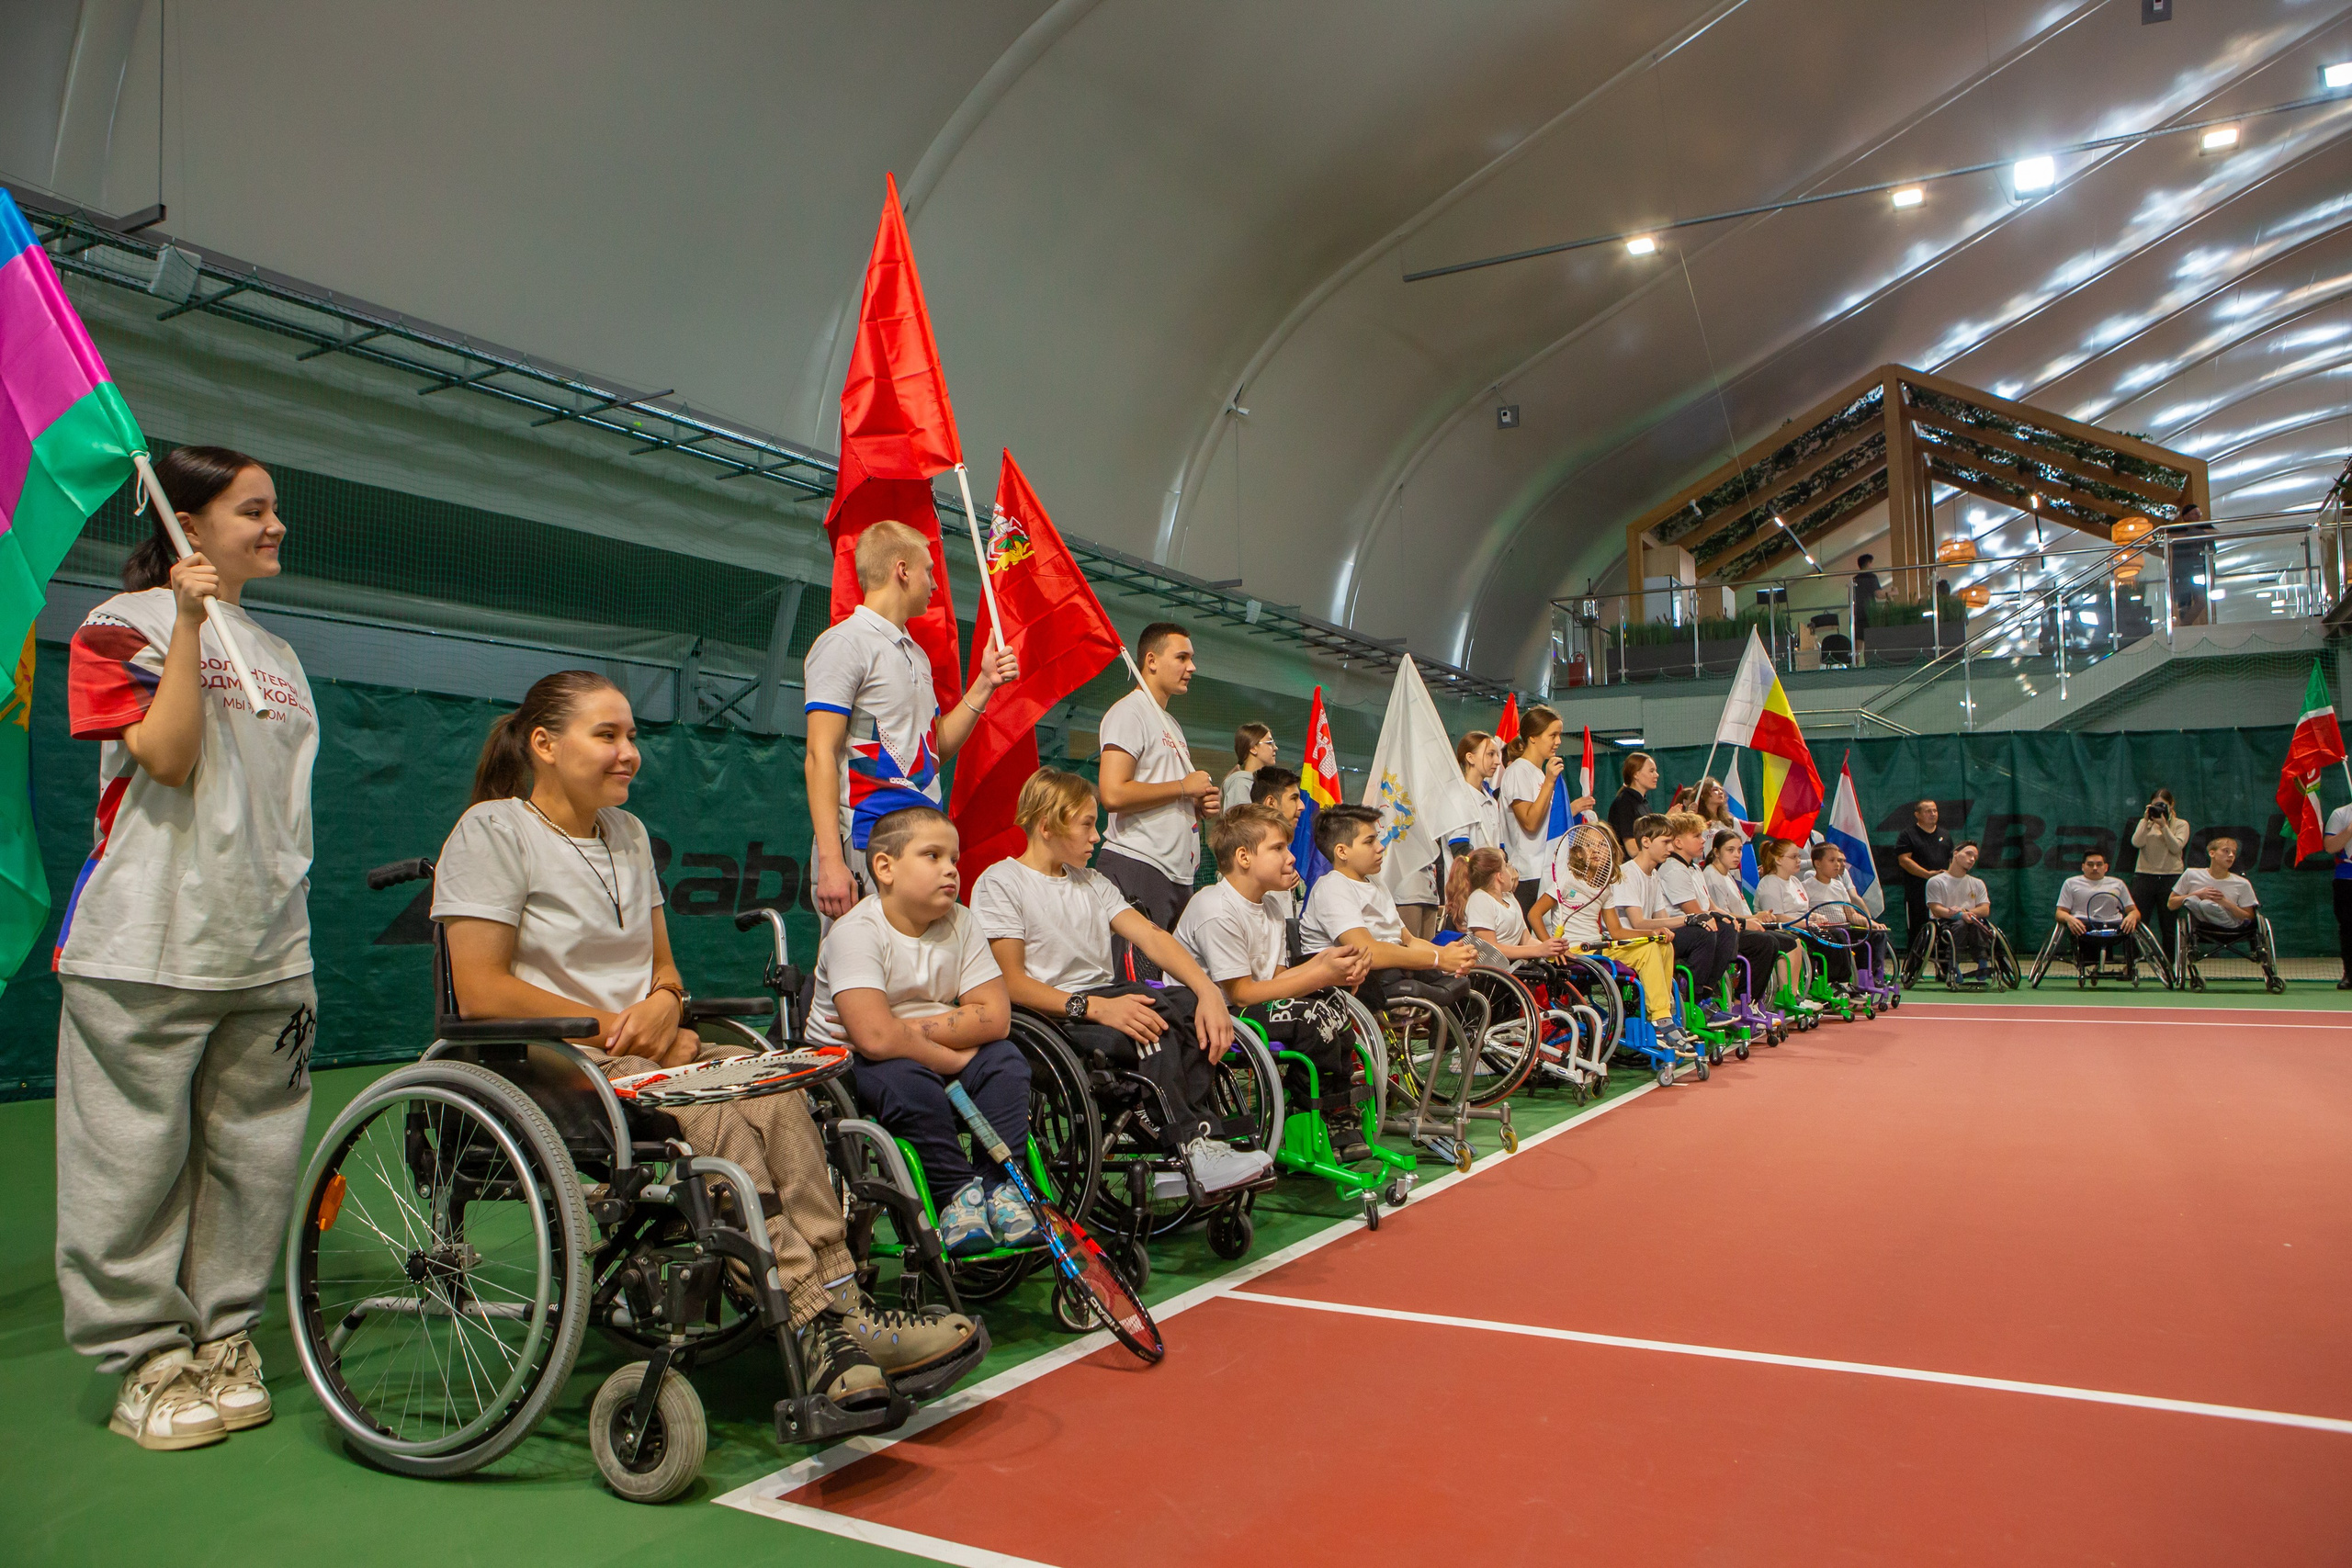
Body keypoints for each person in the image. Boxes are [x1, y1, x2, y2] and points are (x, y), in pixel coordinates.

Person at [437, 673, 974, 1416]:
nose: (630, 752)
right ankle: (815, 1322)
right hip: (554, 1062)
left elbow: (664, 967)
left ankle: (845, 1305)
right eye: (608, 735)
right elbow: (482, 989)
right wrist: (616, 1026)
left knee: (778, 1084)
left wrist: (664, 1003)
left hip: (645, 1051)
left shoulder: (625, 834)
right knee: (717, 1116)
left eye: (632, 735)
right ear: (544, 745)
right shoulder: (493, 830)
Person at [54, 446, 318, 1452]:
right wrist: (192, 619)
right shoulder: (121, 625)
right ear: (187, 523)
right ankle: (145, 1359)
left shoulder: (284, 658)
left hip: (267, 951)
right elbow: (166, 757)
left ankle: (224, 1337)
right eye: (253, 509)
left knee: (253, 1165)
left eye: (275, 507)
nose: (275, 525)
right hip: (144, 945)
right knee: (130, 1167)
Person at [970, 769, 1268, 1194]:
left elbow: (1151, 936)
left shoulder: (1092, 882)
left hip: (1102, 1001)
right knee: (1156, 1014)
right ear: (1048, 825)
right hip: (1050, 1017)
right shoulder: (1001, 882)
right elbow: (1011, 984)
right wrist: (1095, 1007)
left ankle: (1198, 1141)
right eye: (1087, 824)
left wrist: (1207, 992)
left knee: (1185, 1005)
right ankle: (1191, 1146)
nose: (1097, 837)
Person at [808, 806, 1035, 1263]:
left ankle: (1001, 1189)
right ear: (885, 868)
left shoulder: (963, 921)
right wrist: (949, 1057)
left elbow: (996, 1019)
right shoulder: (855, 932)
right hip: (850, 1066)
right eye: (932, 856)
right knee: (909, 1081)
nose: (951, 868)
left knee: (1008, 1060)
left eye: (953, 858)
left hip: (919, 1047)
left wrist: (903, 1030)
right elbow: (873, 1040)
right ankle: (956, 1197)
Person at [804, 519, 1019, 920]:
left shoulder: (916, 654)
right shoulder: (843, 643)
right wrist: (831, 861)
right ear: (902, 570)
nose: (935, 584)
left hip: (923, 840)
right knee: (858, 973)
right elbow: (820, 753)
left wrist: (985, 684)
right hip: (868, 840)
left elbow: (932, 750)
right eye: (929, 571)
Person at [1176, 805, 1375, 1159]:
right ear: (1244, 857)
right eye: (1278, 848)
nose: (1291, 856)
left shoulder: (1269, 907)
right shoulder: (1216, 909)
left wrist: (1329, 969)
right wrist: (1318, 973)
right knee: (1311, 1017)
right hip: (1213, 1015)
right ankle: (1313, 1112)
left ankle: (1333, 1108)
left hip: (1248, 1006)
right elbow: (1241, 992)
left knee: (1332, 1001)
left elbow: (1278, 978)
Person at [1096, 623, 1220, 970]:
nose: (1191, 667)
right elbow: (1113, 792)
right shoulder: (1129, 712)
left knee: (1167, 985)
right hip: (1137, 865)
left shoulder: (1170, 724)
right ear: (1150, 660)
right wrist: (1183, 788)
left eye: (1191, 658)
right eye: (1182, 657)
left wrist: (1196, 804)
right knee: (1134, 982)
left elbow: (1163, 791)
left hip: (1176, 873)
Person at [1597, 816, 1706, 1046]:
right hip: (1620, 944)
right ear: (1646, 842)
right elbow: (1637, 923)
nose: (1670, 848)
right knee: (1653, 946)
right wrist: (1685, 921)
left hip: (1640, 942)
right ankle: (1660, 1017)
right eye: (1665, 842)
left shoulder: (1654, 875)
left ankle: (1665, 1010)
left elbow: (1661, 921)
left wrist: (1684, 923)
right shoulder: (1627, 874)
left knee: (1664, 944)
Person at [1654, 812, 1758, 1021]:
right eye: (1696, 836)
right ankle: (1693, 993)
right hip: (1679, 929)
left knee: (1726, 924)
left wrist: (1737, 920)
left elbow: (1711, 906)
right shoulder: (1673, 869)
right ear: (1678, 842)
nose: (1703, 841)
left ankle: (1706, 995)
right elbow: (1693, 911)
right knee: (1712, 929)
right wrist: (1730, 921)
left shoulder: (1693, 868)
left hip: (1697, 926)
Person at [1498, 705, 1590, 915]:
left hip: (1549, 870)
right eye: (1553, 735)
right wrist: (1550, 781)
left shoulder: (1540, 774)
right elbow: (1530, 823)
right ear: (1533, 737)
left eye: (1559, 735)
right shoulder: (1518, 772)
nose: (1558, 741)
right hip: (1528, 874)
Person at [1756, 837, 1855, 989]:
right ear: (1779, 860)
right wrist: (1807, 922)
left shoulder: (1795, 882)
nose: (1798, 861)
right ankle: (1830, 985)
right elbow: (1778, 917)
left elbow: (1804, 910)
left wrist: (1815, 916)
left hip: (1804, 926)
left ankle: (1843, 983)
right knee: (1826, 940)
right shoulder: (1770, 884)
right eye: (1794, 857)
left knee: (1840, 935)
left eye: (1799, 857)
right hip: (1786, 930)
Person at [1446, 847, 1569, 963]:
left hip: (1515, 967)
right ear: (1500, 876)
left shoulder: (1509, 897)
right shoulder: (1479, 900)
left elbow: (1526, 939)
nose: (1511, 871)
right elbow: (1490, 948)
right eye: (1506, 866)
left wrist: (1549, 948)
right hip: (1492, 973)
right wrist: (1538, 951)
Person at [1804, 841, 1896, 976]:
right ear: (1818, 863)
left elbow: (1851, 915)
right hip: (1825, 932)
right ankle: (1841, 978)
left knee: (1878, 934)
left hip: (1845, 928)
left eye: (1838, 860)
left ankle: (1868, 975)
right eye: (1832, 860)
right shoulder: (1805, 887)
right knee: (1841, 937)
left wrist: (1869, 922)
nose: (1837, 864)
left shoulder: (1839, 886)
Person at [2056, 849, 2140, 979]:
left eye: (2099, 864)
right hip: (2084, 925)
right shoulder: (2070, 883)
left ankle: (2129, 967)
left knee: (2130, 925)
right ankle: (2088, 962)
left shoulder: (2118, 884)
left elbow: (2133, 910)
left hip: (2114, 925)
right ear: (2083, 866)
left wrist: (2132, 916)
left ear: (2106, 867)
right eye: (2090, 864)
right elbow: (2060, 912)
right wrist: (2069, 919)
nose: (2095, 868)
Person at [1925, 840, 1994, 982]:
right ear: (1956, 854)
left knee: (1978, 924)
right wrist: (1960, 915)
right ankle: (1954, 966)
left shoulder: (1977, 883)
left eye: (1975, 857)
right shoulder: (1936, 881)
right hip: (1945, 923)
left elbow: (1985, 909)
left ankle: (1982, 964)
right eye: (1969, 854)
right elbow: (1936, 909)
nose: (1972, 859)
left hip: (1972, 920)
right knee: (1961, 925)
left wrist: (1967, 912)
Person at [2129, 788, 2188, 953]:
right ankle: (2132, 961)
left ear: (2171, 805)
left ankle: (2170, 963)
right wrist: (2146, 821)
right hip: (2144, 876)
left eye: (2163, 805)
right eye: (2156, 805)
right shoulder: (2145, 823)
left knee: (2169, 925)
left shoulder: (2181, 824)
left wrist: (2164, 826)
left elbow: (2176, 847)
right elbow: (2136, 842)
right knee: (2138, 921)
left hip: (2171, 877)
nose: (2159, 809)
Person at [2168, 837, 2258, 939]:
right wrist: (2198, 894)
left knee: (2206, 904)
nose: (2231, 855)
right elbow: (2171, 904)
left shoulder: (2242, 883)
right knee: (2191, 900)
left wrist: (2224, 902)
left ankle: (2211, 908)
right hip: (2201, 925)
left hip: (2231, 927)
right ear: (2212, 853)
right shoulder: (2191, 874)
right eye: (2226, 851)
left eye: (2234, 852)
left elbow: (2249, 917)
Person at [1894, 799, 1954, 948]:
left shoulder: (1945, 834)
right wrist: (1927, 874)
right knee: (1917, 932)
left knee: (1945, 931)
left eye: (1935, 811)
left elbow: (1952, 858)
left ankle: (1944, 969)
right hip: (1917, 892)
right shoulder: (1908, 835)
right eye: (1928, 811)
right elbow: (1904, 860)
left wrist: (1947, 876)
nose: (1933, 814)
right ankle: (1915, 969)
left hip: (1942, 894)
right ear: (1917, 815)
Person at [1221, 723, 1276, 819]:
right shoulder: (1240, 784)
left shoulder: (1261, 784)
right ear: (1253, 748)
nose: (1275, 748)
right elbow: (1241, 828)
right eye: (1270, 743)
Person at [1608, 750, 1658, 851]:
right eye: (1651, 771)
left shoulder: (1644, 804)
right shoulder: (1624, 803)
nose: (1657, 775)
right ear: (1636, 774)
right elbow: (1632, 850)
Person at [2326, 799, 2352, 989]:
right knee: (2349, 928)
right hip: (2347, 879)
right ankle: (2350, 974)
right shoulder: (2340, 814)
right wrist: (2349, 831)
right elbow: (2330, 846)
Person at [1851, 552, 1881, 644]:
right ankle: (1868, 658)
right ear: (1868, 563)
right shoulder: (1871, 577)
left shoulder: (1855, 579)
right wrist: (1891, 593)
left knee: (1858, 642)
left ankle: (1856, 658)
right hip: (1870, 613)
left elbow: (1851, 597)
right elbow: (1878, 594)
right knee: (1870, 641)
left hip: (1857, 613)